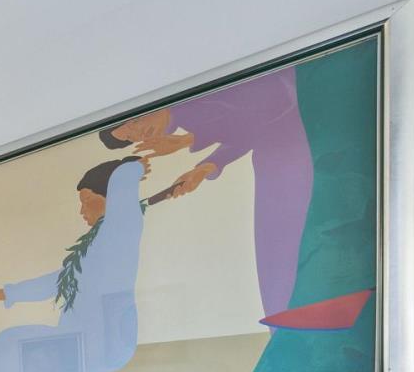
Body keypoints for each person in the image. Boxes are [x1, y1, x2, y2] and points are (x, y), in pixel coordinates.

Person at [98, 66, 311, 319]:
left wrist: (186, 141)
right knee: (274, 259)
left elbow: (274, 98)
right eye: (130, 136)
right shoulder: (185, 117)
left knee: (285, 252)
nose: (138, 131)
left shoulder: (192, 93)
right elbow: (249, 132)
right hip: (275, 156)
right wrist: (205, 168)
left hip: (298, 148)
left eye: (133, 123)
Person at [0, 157, 146, 372]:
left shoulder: (119, 228)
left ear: (111, 199)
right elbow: (59, 280)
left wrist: (133, 166)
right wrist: (0, 294)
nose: (81, 210)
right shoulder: (95, 245)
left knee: (6, 341)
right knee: (1, 342)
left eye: (87, 200)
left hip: (100, 341)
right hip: (77, 337)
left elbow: (123, 179)